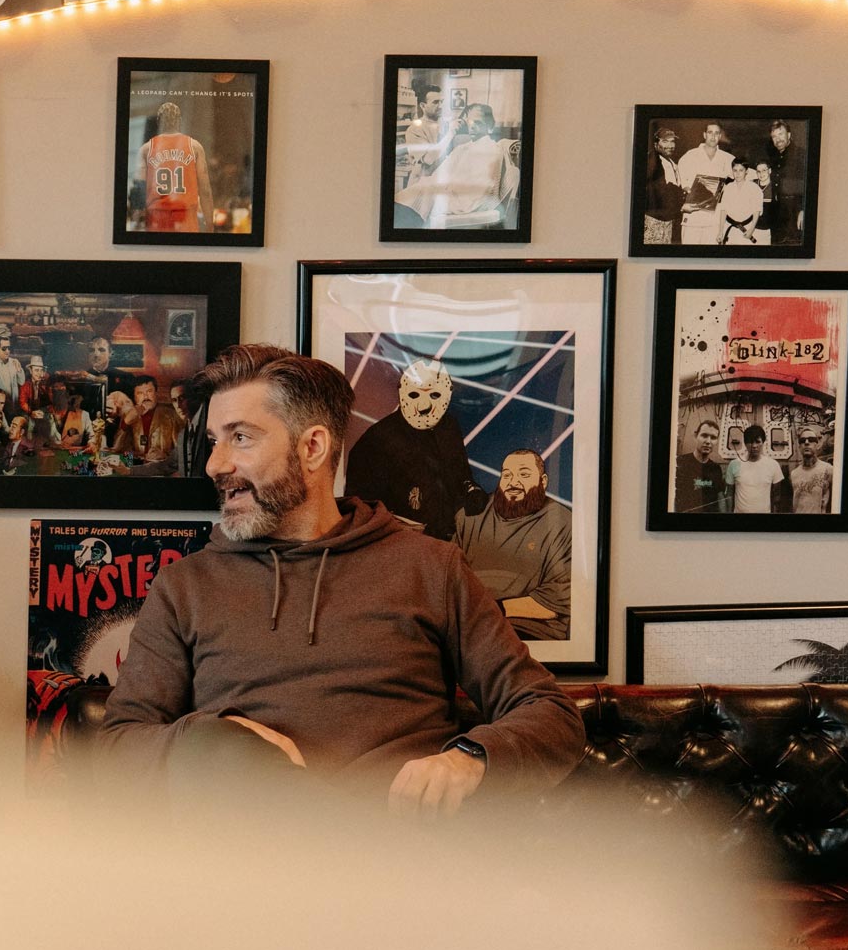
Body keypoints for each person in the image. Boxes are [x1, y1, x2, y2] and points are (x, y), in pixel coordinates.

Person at [100, 343, 587, 814]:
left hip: (398, 865)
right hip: (251, 865)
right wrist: (215, 741)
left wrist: (468, 759)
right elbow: (120, 745)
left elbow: (551, 714)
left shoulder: (431, 568)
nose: (215, 464)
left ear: (312, 447)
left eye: (240, 437)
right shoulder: (185, 587)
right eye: (213, 441)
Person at [342, 357, 485, 541]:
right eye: (414, 395)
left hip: (446, 539)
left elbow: (461, 473)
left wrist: (471, 490)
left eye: (434, 395)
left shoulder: (449, 426)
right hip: (398, 544)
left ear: (448, 394)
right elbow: (359, 512)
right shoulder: (375, 441)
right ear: (401, 394)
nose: (423, 406)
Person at [450, 450, 572, 641]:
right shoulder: (470, 517)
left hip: (529, 632)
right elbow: (449, 579)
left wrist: (492, 610)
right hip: (468, 631)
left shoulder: (563, 523)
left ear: (543, 481)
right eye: (507, 474)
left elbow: (555, 602)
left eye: (524, 474)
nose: (513, 482)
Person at [136, 100, 208, 234]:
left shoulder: (146, 149)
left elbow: (140, 189)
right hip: (185, 219)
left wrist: (138, 219)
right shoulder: (194, 146)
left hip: (157, 218)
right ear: (179, 120)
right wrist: (210, 224)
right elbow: (205, 190)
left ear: (159, 121)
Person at [674, 123, 738, 246]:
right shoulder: (690, 155)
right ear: (704, 135)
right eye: (710, 132)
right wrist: (686, 190)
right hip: (692, 216)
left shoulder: (727, 158)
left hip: (714, 219)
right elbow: (678, 181)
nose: (713, 136)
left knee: (712, 257)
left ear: (720, 136)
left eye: (716, 133)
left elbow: (744, 173)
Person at [764, 119, 808, 245]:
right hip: (777, 216)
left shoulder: (801, 155)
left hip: (794, 214)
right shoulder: (774, 158)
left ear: (789, 135)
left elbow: (809, 185)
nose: (778, 139)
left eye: (780, 134)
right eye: (774, 136)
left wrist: (803, 210)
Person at [675, 417, 728, 514]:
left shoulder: (716, 468)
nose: (708, 441)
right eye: (704, 435)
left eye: (713, 438)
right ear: (696, 436)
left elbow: (720, 497)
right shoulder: (680, 463)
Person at [725, 425, 783, 514]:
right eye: (751, 442)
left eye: (758, 441)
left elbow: (777, 497)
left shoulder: (773, 465)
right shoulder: (734, 464)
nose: (754, 446)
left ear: (763, 442)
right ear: (745, 443)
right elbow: (729, 494)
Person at [642, 125, 685, 245]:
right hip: (654, 220)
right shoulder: (652, 160)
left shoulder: (670, 162)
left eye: (672, 141)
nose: (670, 145)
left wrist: (683, 192)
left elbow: (671, 187)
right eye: (665, 141)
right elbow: (657, 189)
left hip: (667, 220)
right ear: (656, 144)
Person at [786, 427, 834, 515]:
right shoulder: (794, 474)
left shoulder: (828, 470)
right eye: (802, 441)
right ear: (799, 446)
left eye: (811, 440)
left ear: (817, 444)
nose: (806, 443)